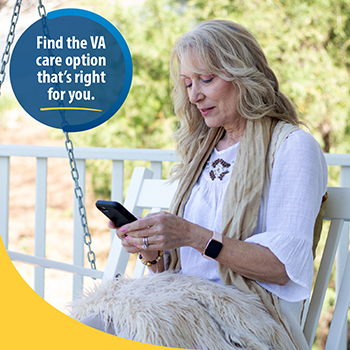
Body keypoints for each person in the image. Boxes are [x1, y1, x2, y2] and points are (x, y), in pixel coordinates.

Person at [73, 20, 328, 350]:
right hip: (183, 303)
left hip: (246, 318)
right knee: (92, 325)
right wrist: (153, 253)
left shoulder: (292, 147)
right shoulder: (202, 149)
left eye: (206, 79)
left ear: (244, 75)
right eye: (187, 83)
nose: (194, 95)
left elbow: (281, 268)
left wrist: (193, 235)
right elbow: (188, 266)